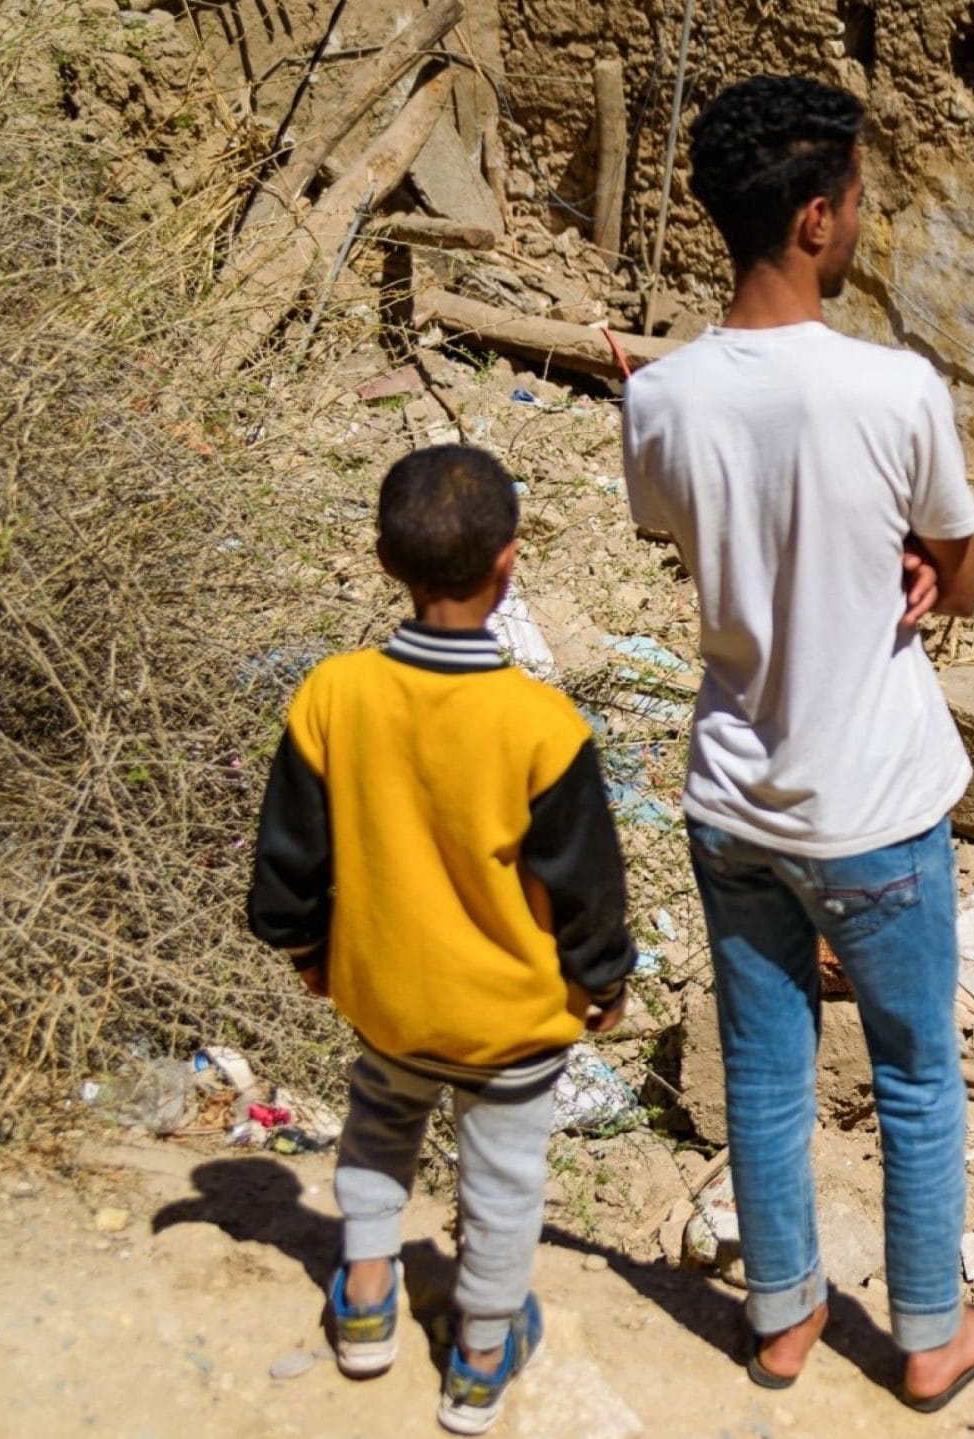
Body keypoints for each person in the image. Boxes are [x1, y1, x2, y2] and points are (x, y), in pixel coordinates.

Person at [619, 75, 974, 1411]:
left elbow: (679, 535)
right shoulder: (894, 388)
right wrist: (915, 562)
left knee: (767, 1067)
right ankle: (925, 1335)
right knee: (914, 1073)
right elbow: (960, 583)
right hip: (877, 805)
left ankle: (782, 1321)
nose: (862, 218)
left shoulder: (662, 394)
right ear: (811, 217)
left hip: (732, 798)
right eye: (854, 199)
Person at [248, 444, 635, 1436]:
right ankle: (475, 1361)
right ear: (510, 564)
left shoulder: (332, 695)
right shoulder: (542, 726)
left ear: (387, 564)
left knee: (380, 1130)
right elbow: (585, 883)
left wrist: (304, 948)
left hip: (383, 996)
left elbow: (290, 854)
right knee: (502, 1181)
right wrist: (604, 979)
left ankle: (368, 1301)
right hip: (510, 1020)